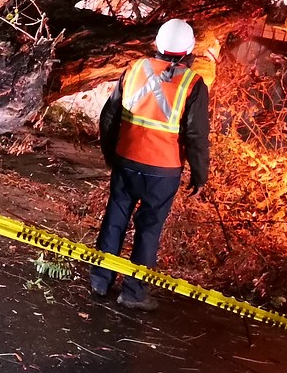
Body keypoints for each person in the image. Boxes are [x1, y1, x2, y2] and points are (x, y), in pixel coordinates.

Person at [90, 18, 210, 310]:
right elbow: (196, 135)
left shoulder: (134, 69)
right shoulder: (193, 85)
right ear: (189, 50)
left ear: (156, 43)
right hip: (163, 170)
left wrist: (111, 154)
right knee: (149, 229)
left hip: (126, 160)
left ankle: (99, 279)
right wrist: (200, 173)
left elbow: (109, 116)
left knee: (114, 219)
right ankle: (133, 292)